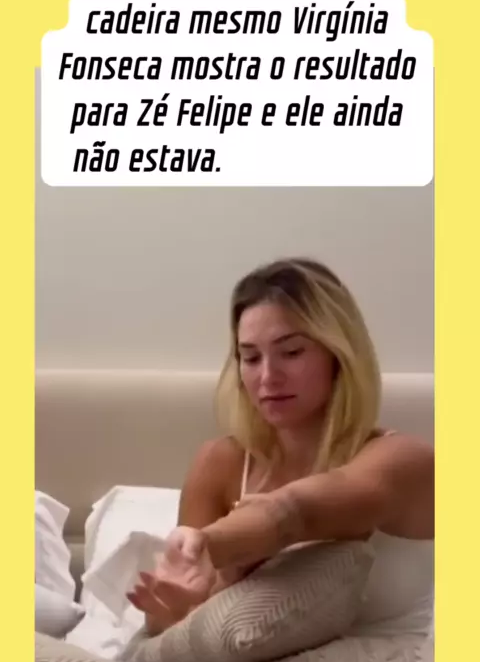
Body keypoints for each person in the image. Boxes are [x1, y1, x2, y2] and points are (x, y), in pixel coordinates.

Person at [127, 257, 434, 638]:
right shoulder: (219, 464)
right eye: (251, 357)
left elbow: (296, 513)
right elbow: (170, 629)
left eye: (291, 352)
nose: (268, 377)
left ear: (339, 356)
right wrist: (177, 607)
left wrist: (213, 544)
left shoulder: (404, 459)